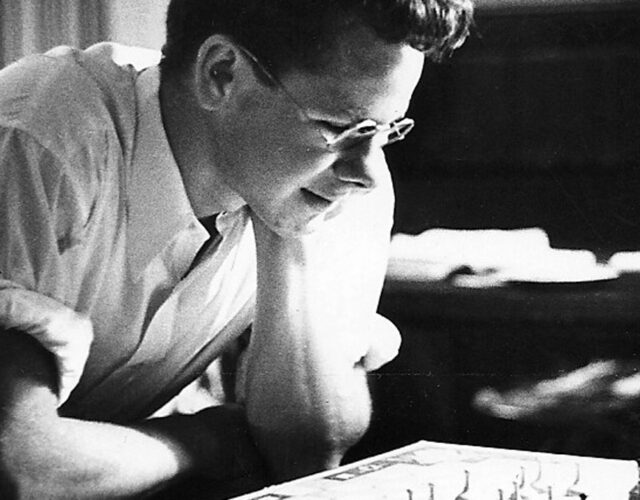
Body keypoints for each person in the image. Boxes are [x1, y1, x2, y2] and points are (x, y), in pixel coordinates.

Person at [0, 0, 473, 497]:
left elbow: (308, 453)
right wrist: (201, 443)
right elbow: (19, 465)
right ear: (221, 73)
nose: (368, 174)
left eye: (387, 129)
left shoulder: (332, 177)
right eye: (340, 129)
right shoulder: (38, 141)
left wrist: (288, 234)